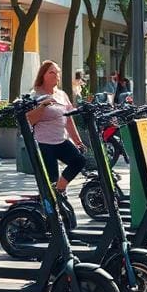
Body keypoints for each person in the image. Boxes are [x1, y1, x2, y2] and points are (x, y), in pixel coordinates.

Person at [27, 60, 87, 193]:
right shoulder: (35, 95)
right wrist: (42, 106)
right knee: (50, 179)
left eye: (57, 72)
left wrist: (78, 141)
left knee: (79, 161)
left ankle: (59, 189)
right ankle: (50, 204)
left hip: (60, 140)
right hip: (44, 143)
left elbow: (69, 119)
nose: (56, 75)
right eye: (52, 72)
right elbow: (29, 120)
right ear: (43, 75)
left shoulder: (62, 94)